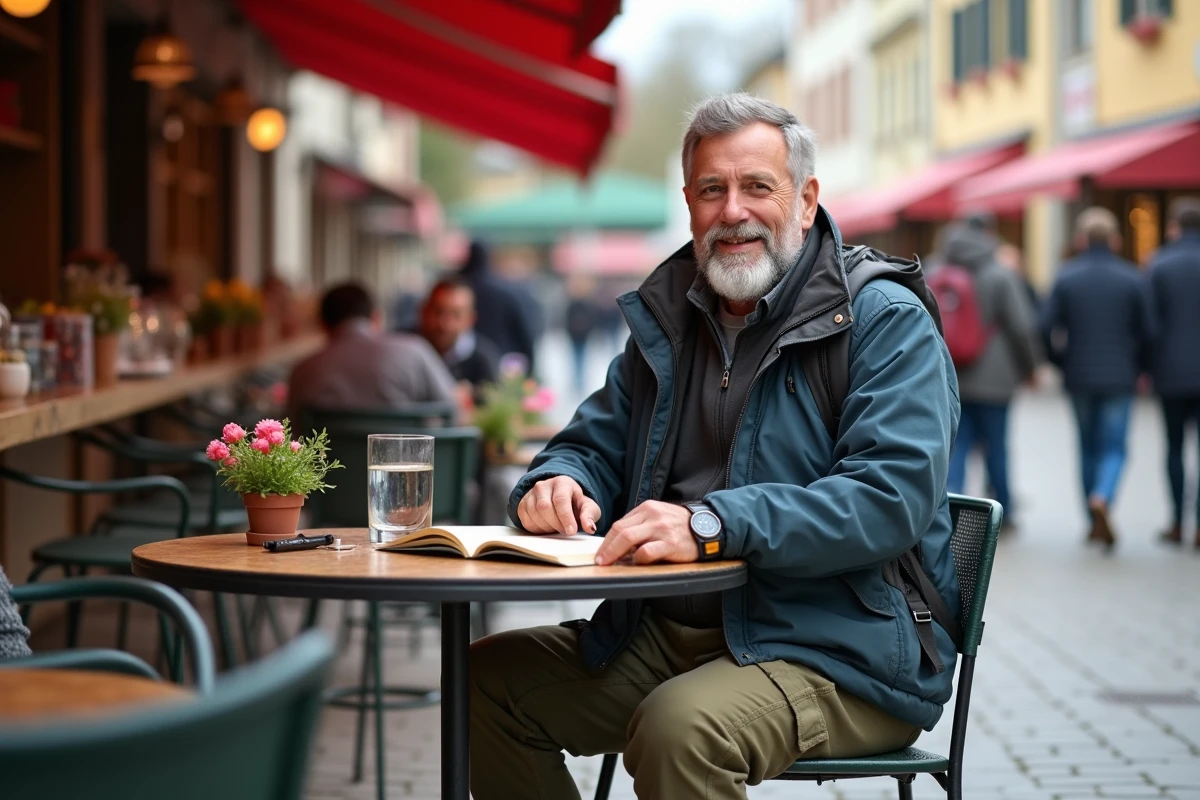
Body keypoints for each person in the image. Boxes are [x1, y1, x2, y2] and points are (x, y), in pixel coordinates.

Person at [469, 93, 960, 799]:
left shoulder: (883, 320)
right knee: (484, 682)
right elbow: (590, 443)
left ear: (806, 200)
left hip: (839, 648)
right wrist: (560, 481)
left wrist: (713, 522)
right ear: (690, 203)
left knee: (680, 731)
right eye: (712, 190)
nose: (733, 211)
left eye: (758, 186)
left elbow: (890, 500)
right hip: (664, 634)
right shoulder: (671, 319)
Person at [1042, 207, 1155, 550]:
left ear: (1080, 240)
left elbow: (1044, 326)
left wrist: (1059, 361)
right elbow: (1149, 331)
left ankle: (1092, 520)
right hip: (1120, 375)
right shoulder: (1133, 278)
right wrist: (1139, 366)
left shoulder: (1066, 276)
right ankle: (1103, 496)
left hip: (1079, 374)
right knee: (1115, 447)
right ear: (1117, 240)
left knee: (1087, 446)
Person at [941, 218, 1041, 532]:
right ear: (988, 233)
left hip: (950, 375)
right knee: (997, 446)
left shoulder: (935, 271)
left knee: (955, 446)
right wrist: (1031, 368)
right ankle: (1004, 515)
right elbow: (1021, 327)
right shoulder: (1000, 274)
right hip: (995, 378)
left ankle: (949, 511)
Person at [286, 282, 458, 424]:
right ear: (376, 318)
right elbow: (454, 411)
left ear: (323, 325)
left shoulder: (303, 370)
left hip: (328, 465)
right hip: (403, 463)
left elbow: (292, 432)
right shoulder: (414, 351)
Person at [1147, 197, 1200, 547]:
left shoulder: (1159, 264)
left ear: (1174, 226)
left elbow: (1149, 326)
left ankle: (1178, 521)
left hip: (1172, 373)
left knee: (1174, 447)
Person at [458, 239, 542, 374]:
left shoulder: (457, 288)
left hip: (463, 367)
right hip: (502, 363)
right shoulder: (505, 292)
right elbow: (524, 334)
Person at [418, 277, 500, 395]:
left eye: (456, 315)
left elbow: (493, 400)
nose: (445, 324)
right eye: (438, 312)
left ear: (470, 319)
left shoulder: (483, 358)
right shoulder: (404, 346)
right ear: (424, 311)